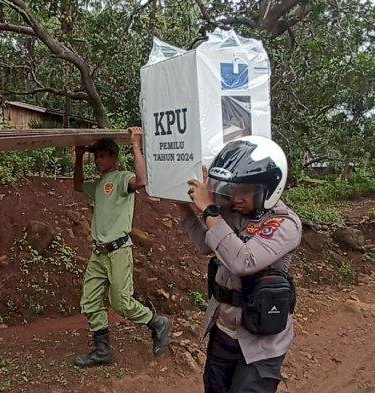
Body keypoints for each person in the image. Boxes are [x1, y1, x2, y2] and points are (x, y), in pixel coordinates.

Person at [179, 135, 301, 393]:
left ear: (271, 188)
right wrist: (184, 208)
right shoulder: (234, 214)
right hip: (224, 331)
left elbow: (243, 261)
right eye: (233, 189)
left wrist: (210, 211)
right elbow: (206, 244)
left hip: (260, 341)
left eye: (246, 190)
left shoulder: (285, 224)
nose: (236, 198)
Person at [72, 127, 171, 368]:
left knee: (121, 302)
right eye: (95, 156)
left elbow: (142, 181)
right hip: (99, 253)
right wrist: (78, 157)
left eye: (103, 155)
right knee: (90, 301)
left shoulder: (122, 178)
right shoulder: (98, 185)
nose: (98, 159)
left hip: (118, 251)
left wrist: (136, 146)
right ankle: (102, 350)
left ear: (114, 157)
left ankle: (156, 322)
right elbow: (77, 186)